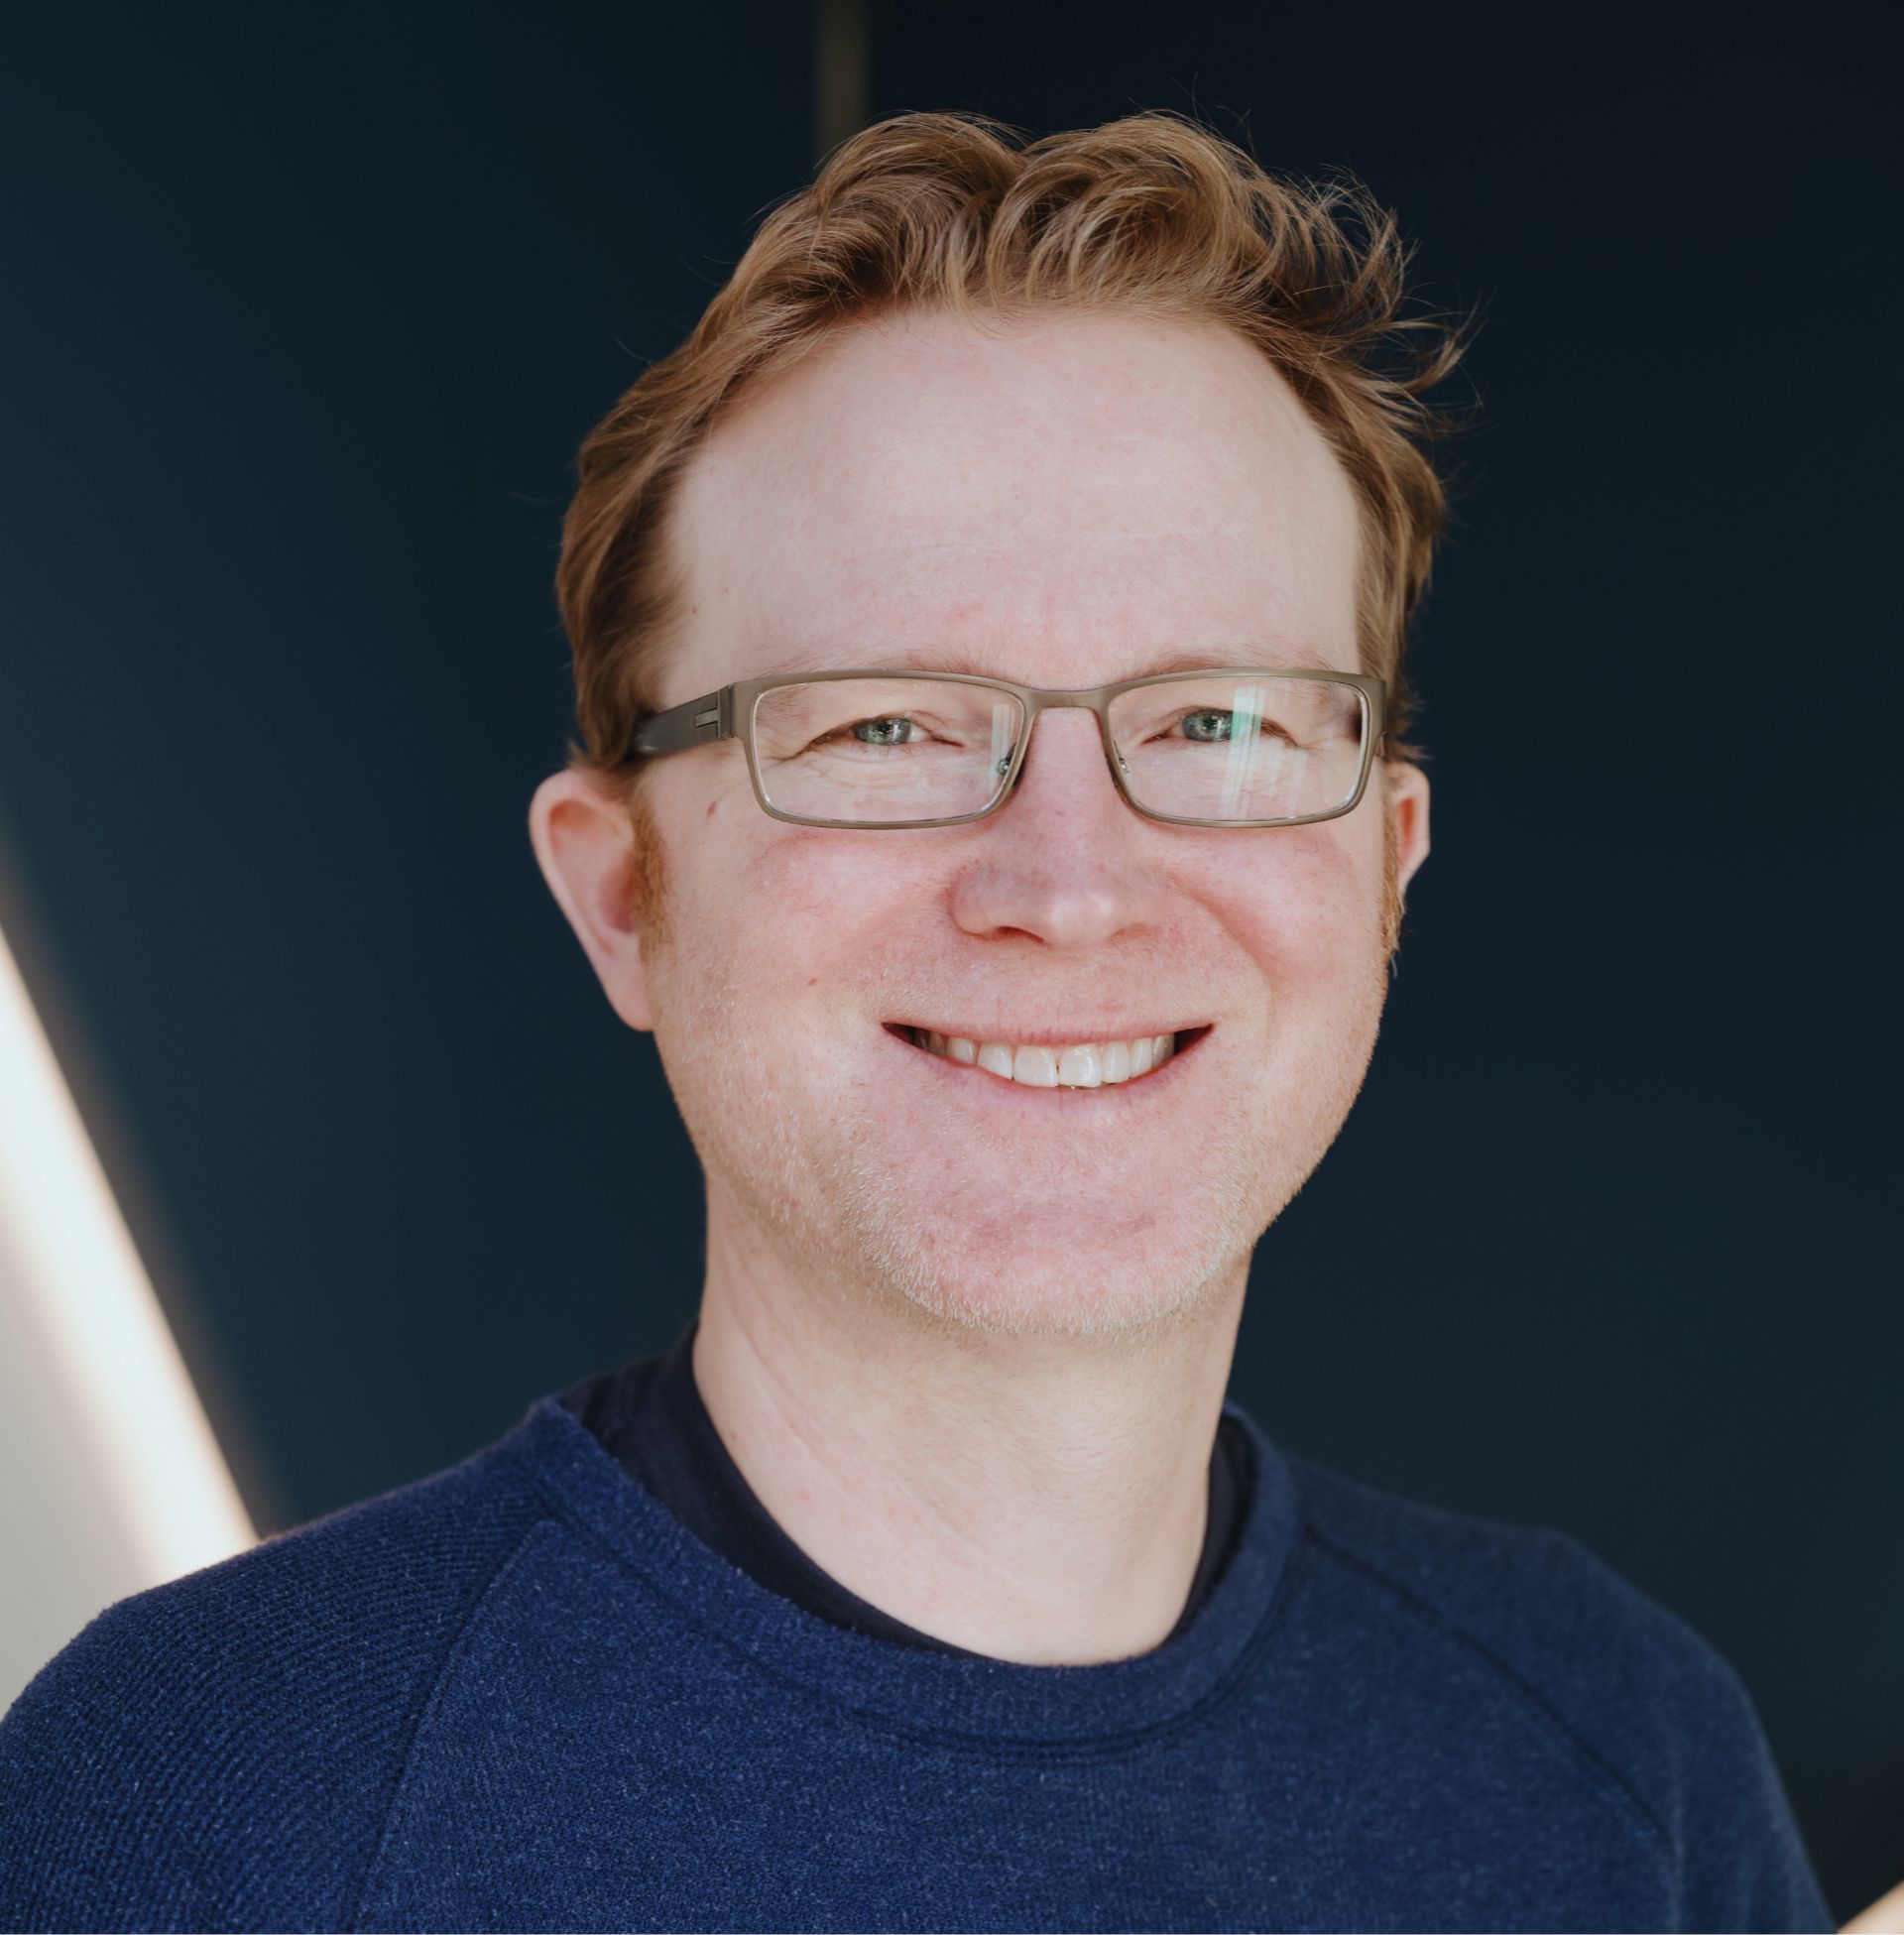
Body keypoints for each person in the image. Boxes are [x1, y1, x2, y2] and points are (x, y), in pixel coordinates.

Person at [0, 111, 1835, 1933]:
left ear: (1385, 873)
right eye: (887, 728)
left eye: (1217, 723)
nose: (1070, 884)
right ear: (623, 894)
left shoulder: (1622, 1763)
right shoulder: (209, 1803)